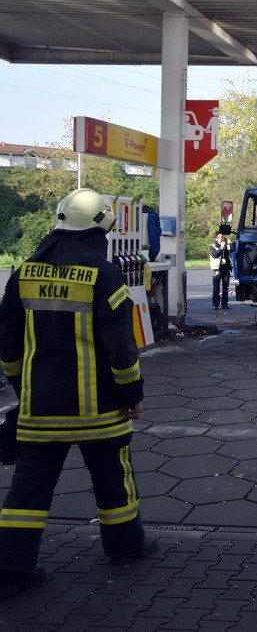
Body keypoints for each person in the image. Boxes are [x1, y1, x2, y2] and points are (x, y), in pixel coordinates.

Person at [0, 188, 155, 598]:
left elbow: (9, 345)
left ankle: (12, 571)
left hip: (38, 412)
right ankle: (125, 548)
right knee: (113, 481)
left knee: (27, 492)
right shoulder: (104, 275)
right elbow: (121, 347)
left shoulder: (24, 273)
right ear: (101, 226)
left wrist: (22, 389)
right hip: (98, 412)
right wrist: (131, 392)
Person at [208, 231, 233, 310]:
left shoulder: (226, 245)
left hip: (226, 269)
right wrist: (221, 247)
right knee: (216, 288)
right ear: (216, 238)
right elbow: (215, 255)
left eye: (222, 237)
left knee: (225, 288)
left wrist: (230, 243)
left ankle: (224, 304)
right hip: (217, 269)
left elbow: (232, 251)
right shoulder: (212, 246)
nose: (221, 239)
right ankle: (215, 304)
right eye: (219, 237)